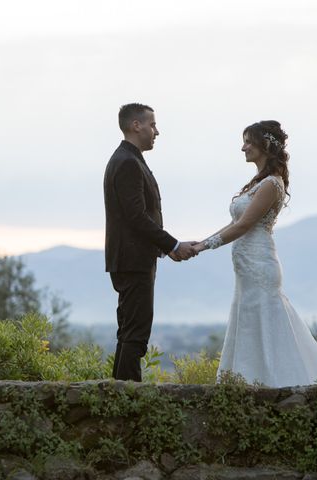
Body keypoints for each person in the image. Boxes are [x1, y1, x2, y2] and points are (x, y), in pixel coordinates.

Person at [192, 120, 317, 387]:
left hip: (259, 263)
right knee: (248, 320)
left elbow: (243, 225)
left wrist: (202, 247)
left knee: (265, 319)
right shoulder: (257, 183)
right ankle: (247, 379)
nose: (243, 148)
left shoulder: (270, 185)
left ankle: (272, 383)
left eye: (248, 142)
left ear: (265, 145)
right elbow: (235, 224)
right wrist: (200, 241)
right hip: (246, 265)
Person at [104, 103, 197, 381]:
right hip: (133, 260)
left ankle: (120, 395)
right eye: (153, 125)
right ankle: (129, 401)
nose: (157, 131)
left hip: (129, 259)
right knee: (136, 334)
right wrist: (172, 245)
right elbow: (137, 217)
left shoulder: (126, 159)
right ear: (136, 125)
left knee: (130, 333)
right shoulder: (128, 163)